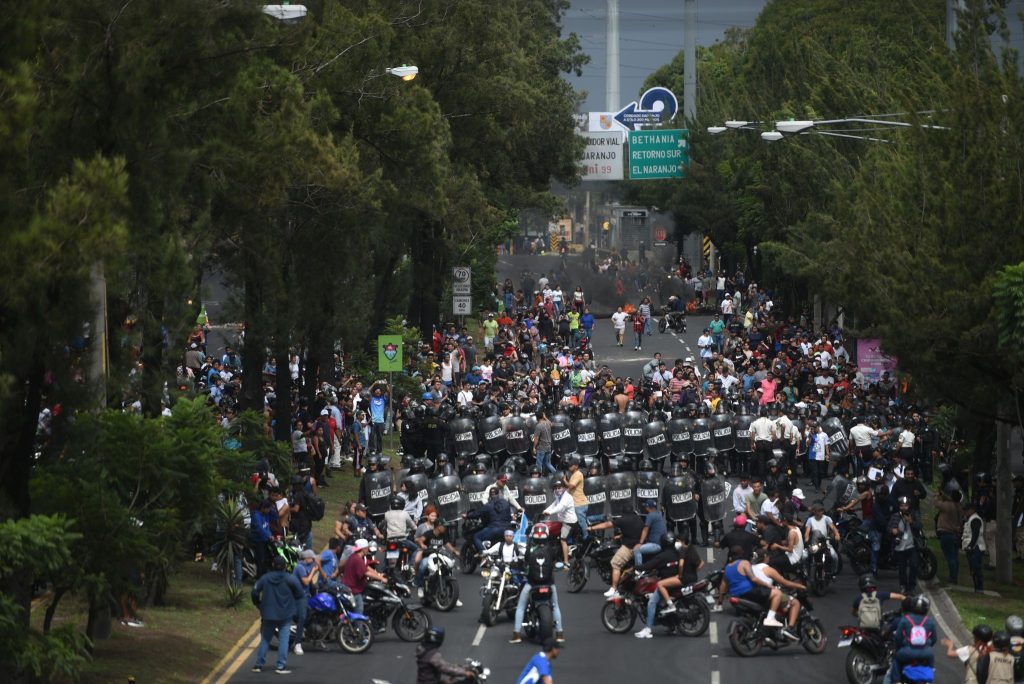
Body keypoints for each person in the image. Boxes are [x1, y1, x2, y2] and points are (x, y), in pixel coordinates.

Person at [634, 532, 703, 638]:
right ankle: (671, 625)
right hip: (682, 581)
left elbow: (648, 566)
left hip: (671, 583)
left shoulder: (662, 556)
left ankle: (647, 629)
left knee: (652, 602)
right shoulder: (679, 552)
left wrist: (635, 567)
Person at [719, 546, 794, 639]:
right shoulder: (744, 563)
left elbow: (723, 586)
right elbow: (754, 579)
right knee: (777, 593)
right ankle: (770, 618)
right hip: (749, 592)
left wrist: (720, 601)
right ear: (742, 554)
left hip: (735, 595)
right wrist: (767, 585)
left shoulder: (727, 568)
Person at [251, 555, 305, 675]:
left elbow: (254, 591)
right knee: (284, 640)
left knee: (265, 639)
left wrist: (258, 603)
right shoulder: (290, 578)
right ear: (285, 566)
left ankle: (258, 665)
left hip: (268, 614)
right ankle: (280, 666)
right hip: (285, 614)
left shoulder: (265, 578)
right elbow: (300, 593)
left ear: (273, 565)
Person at [511, 524, 564, 644]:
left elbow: (525, 563)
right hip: (549, 584)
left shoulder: (530, 549)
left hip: (532, 584)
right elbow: (555, 563)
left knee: (521, 606)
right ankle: (560, 633)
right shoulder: (551, 549)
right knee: (555, 606)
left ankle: (516, 634)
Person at [886, 595, 937, 684]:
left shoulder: (905, 620)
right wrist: (927, 647)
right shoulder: (930, 622)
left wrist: (898, 649)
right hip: (927, 654)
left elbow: (898, 637)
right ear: (926, 609)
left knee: (896, 660)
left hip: (907, 653)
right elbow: (934, 639)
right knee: (930, 668)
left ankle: (897, 681)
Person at [603, 506, 645, 600]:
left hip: (629, 546)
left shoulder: (622, 520)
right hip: (640, 545)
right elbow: (637, 530)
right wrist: (621, 536)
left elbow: (606, 525)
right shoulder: (638, 519)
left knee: (615, 563)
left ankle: (614, 588)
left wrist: (591, 528)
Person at [340, 538, 387, 615]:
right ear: (363, 549)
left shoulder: (355, 556)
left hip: (352, 588)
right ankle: (359, 626)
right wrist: (382, 579)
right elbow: (366, 572)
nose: (368, 550)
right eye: (367, 548)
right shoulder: (357, 559)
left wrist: (378, 574)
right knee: (359, 614)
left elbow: (367, 568)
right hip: (353, 591)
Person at [414, 518, 458, 598]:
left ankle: (453, 594)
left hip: (440, 555)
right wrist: (422, 545)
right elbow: (421, 540)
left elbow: (448, 545)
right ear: (438, 527)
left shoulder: (444, 535)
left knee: (450, 568)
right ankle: (420, 586)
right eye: (444, 526)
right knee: (422, 566)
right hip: (429, 555)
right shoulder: (428, 533)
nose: (445, 528)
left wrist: (455, 551)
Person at [889, 495, 923, 593]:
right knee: (902, 568)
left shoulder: (914, 515)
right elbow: (889, 527)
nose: (904, 508)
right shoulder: (895, 516)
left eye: (906, 505)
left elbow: (920, 526)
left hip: (912, 545)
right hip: (900, 547)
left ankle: (911, 586)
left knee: (914, 565)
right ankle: (903, 585)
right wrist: (893, 530)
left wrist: (911, 522)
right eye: (902, 505)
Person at [541, 481, 577, 568]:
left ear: (564, 488)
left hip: (569, 522)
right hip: (563, 521)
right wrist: (545, 511)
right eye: (556, 488)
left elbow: (560, 507)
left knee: (562, 539)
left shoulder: (566, 497)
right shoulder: (559, 497)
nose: (557, 490)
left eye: (559, 487)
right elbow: (553, 505)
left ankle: (566, 563)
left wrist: (550, 513)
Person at [935, 489, 965, 585]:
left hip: (946, 533)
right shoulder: (959, 507)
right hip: (956, 534)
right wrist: (943, 494)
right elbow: (951, 500)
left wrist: (937, 496)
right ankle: (954, 576)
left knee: (949, 557)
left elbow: (936, 503)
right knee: (955, 557)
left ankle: (952, 578)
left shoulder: (947, 506)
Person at [634, 499, 667, 568]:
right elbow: (662, 511)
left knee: (637, 550)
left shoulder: (650, 515)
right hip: (662, 543)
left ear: (648, 507)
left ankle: (639, 569)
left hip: (656, 544)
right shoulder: (659, 514)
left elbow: (645, 530)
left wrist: (640, 543)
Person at [562, 457, 589, 539]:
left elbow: (572, 485)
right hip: (575, 503)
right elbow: (570, 489)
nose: (569, 466)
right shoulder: (574, 475)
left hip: (579, 503)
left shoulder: (578, 474)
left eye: (571, 465)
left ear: (576, 466)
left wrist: (565, 481)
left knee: (581, 522)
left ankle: (586, 538)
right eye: (569, 465)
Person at [963, 500, 987, 593]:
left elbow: (975, 534)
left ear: (972, 510)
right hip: (973, 547)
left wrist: (970, 546)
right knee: (973, 569)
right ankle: (977, 588)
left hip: (976, 547)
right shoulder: (970, 519)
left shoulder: (975, 519)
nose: (965, 512)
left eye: (966, 510)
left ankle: (979, 588)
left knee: (976, 568)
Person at [533, 410, 555, 475]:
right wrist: (545, 417)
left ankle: (539, 477)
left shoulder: (538, 426)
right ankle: (556, 474)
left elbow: (536, 438)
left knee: (538, 464)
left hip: (541, 448)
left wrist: (534, 447)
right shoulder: (547, 423)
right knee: (548, 463)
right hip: (548, 447)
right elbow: (551, 424)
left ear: (536, 418)